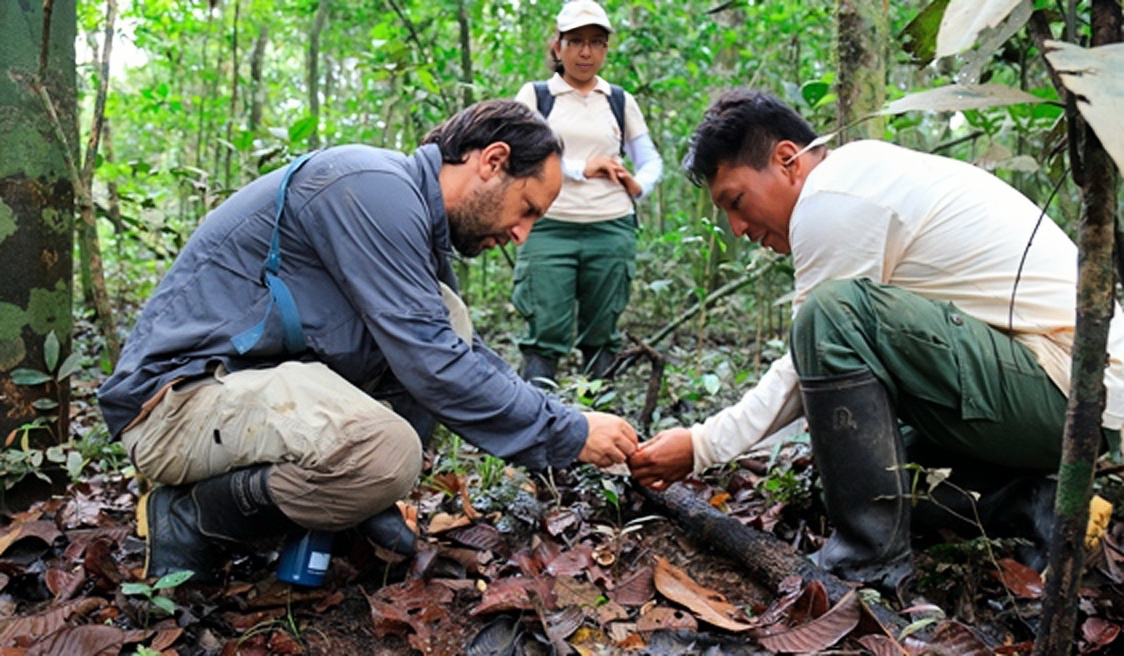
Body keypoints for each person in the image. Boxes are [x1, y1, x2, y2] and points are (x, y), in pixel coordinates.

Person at [98, 99, 639, 583]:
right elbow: (434, 365)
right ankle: (191, 515)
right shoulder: (372, 186)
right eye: (527, 209)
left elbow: (454, 352)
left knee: (447, 316)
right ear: (492, 161)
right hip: (175, 404)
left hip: (242, 392)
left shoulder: (410, 220)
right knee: (384, 452)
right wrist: (568, 432)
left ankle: (344, 510)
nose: (522, 235)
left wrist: (565, 418)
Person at [628, 88, 1124, 587]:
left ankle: (867, 566)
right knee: (857, 481)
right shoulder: (856, 177)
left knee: (830, 312)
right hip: (1055, 395)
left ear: (786, 160)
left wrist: (700, 445)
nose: (736, 228)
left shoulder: (832, 197)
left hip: (1067, 388)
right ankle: (1042, 506)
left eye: (735, 202)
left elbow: (813, 348)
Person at [511, 0, 662, 384]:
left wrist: (638, 183)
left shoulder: (618, 100)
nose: (585, 52)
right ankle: (536, 420)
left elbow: (651, 160)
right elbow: (519, 153)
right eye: (575, 41)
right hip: (548, 227)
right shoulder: (536, 96)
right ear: (558, 46)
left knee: (601, 334)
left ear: (605, 49)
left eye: (596, 42)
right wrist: (581, 169)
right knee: (544, 331)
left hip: (610, 228)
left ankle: (600, 425)